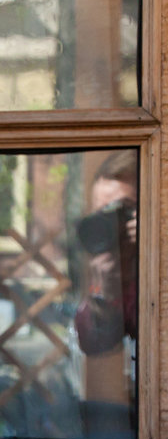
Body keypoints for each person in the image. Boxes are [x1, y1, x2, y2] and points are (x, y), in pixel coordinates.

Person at [74, 152, 139, 357]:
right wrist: (105, 299)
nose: (110, 223)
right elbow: (94, 345)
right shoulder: (111, 264)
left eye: (120, 210)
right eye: (103, 213)